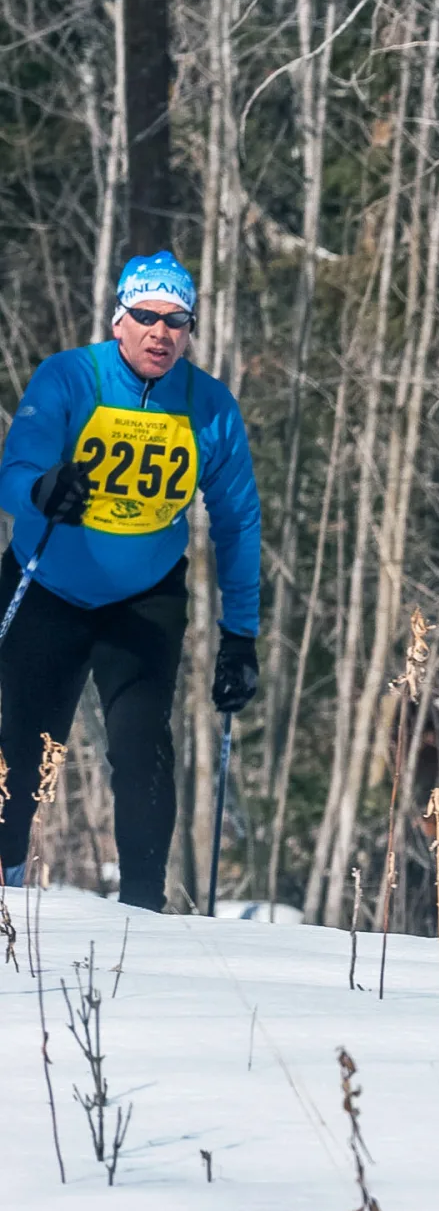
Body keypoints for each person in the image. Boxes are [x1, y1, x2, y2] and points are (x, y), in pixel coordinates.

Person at [0, 251, 261, 908]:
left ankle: (144, 909)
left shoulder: (210, 407)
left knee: (143, 747)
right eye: (145, 316)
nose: (160, 332)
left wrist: (241, 636)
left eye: (177, 320)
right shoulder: (69, 377)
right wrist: (43, 488)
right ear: (119, 320)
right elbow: (16, 467)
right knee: (24, 745)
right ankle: (4, 886)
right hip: (47, 586)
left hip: (143, 599)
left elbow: (237, 523)